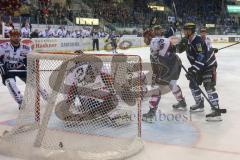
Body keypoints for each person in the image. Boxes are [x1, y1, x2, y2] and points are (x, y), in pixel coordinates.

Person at [142, 25, 186, 123]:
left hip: (168, 67)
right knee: (172, 84)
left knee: (157, 88)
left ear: (149, 36)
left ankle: (151, 113)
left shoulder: (154, 41)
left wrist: (156, 76)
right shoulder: (162, 39)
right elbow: (175, 49)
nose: (144, 40)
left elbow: (159, 59)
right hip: (176, 64)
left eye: (144, 37)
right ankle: (182, 102)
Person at [178, 23, 221, 121]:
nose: (184, 32)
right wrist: (172, 49)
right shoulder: (187, 40)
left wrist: (193, 70)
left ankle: (216, 110)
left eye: (186, 30)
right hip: (199, 66)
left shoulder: (197, 41)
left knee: (208, 86)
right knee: (193, 85)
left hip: (208, 65)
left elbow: (201, 57)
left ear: (190, 31)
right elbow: (179, 49)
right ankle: (199, 104)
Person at [0, 29, 48, 109]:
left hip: (20, 68)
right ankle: (21, 101)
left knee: (33, 80)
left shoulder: (26, 48)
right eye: (14, 36)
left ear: (20, 37)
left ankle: (45, 95)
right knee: (10, 82)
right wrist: (1, 67)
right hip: (7, 70)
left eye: (18, 36)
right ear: (10, 37)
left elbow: (28, 60)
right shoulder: (3, 47)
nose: (16, 38)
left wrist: (31, 68)